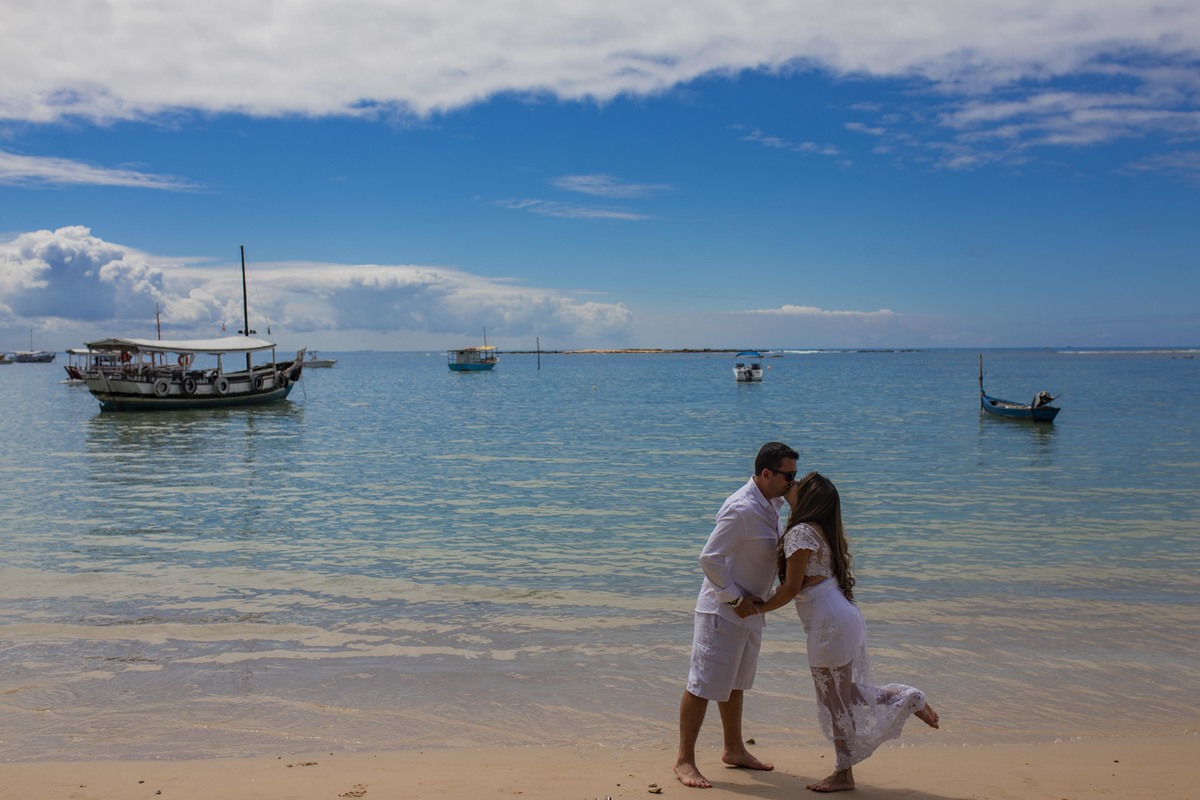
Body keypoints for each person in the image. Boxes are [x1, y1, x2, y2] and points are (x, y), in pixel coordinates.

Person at [754, 472, 940, 793]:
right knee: (841, 695)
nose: (791, 485)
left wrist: (756, 608)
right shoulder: (822, 531)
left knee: (834, 701)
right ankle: (905, 697)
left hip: (830, 624)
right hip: (840, 618)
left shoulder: (800, 533)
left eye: (798, 484)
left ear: (809, 497)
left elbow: (790, 589)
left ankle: (844, 773)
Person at [674, 441, 800, 789]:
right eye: (789, 476)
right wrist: (733, 599)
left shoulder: (774, 504)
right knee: (702, 684)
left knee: (736, 683)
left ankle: (734, 749)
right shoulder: (740, 508)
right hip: (723, 611)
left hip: (751, 611)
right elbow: (709, 558)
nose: (794, 481)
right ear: (766, 473)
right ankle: (684, 760)